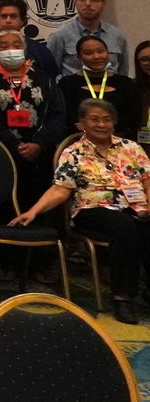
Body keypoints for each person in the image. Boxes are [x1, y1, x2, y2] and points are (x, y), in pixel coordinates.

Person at [13, 99, 150, 324]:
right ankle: (122, 297)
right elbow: (59, 190)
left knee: (143, 224)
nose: (101, 125)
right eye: (94, 119)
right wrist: (33, 211)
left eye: (106, 120)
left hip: (136, 207)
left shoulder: (131, 148)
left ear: (114, 123)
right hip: (93, 209)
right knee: (123, 226)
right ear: (82, 123)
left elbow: (147, 181)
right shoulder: (74, 152)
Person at [0, 29, 65, 207]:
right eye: (4, 46)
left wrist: (40, 143)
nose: (11, 50)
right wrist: (15, 145)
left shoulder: (43, 78)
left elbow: (57, 114)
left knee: (38, 204)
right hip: (2, 153)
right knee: (5, 206)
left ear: (24, 49)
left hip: (40, 155)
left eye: (16, 45)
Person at [60, 35, 137, 137]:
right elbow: (65, 115)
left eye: (101, 51)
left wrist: (108, 127)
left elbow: (134, 116)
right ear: (79, 56)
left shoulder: (126, 83)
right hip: (78, 141)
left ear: (108, 53)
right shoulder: (67, 83)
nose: (96, 56)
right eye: (88, 53)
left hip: (119, 141)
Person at [47, 0, 129, 76]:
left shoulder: (117, 35)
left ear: (104, 3)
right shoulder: (60, 36)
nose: (88, 4)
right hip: (73, 89)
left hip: (112, 89)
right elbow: (51, 74)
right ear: (75, 2)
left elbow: (123, 73)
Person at [0, 0, 60, 77]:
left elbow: (51, 85)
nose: (8, 20)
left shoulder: (40, 51)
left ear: (23, 20)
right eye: (4, 16)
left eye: (13, 16)